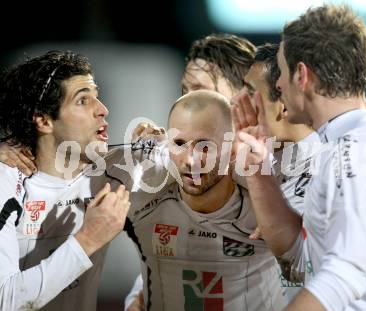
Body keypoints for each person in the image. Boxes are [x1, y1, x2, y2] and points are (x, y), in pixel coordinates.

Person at [234, 4, 366, 310]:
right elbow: (305, 261)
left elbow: (344, 274)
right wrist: (260, 172)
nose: (278, 84)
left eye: (282, 71)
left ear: (302, 75)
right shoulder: (362, 138)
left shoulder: (355, 151)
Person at [124, 90, 289, 310]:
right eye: (180, 143)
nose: (191, 160)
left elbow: (307, 270)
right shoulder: (141, 197)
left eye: (205, 146)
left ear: (232, 150)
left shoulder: (268, 207)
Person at [0, 50, 130, 310]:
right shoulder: (6, 180)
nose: (103, 110)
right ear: (44, 120)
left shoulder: (114, 172)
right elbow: (5, 299)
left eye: (97, 97)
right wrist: (88, 239)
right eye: (83, 100)